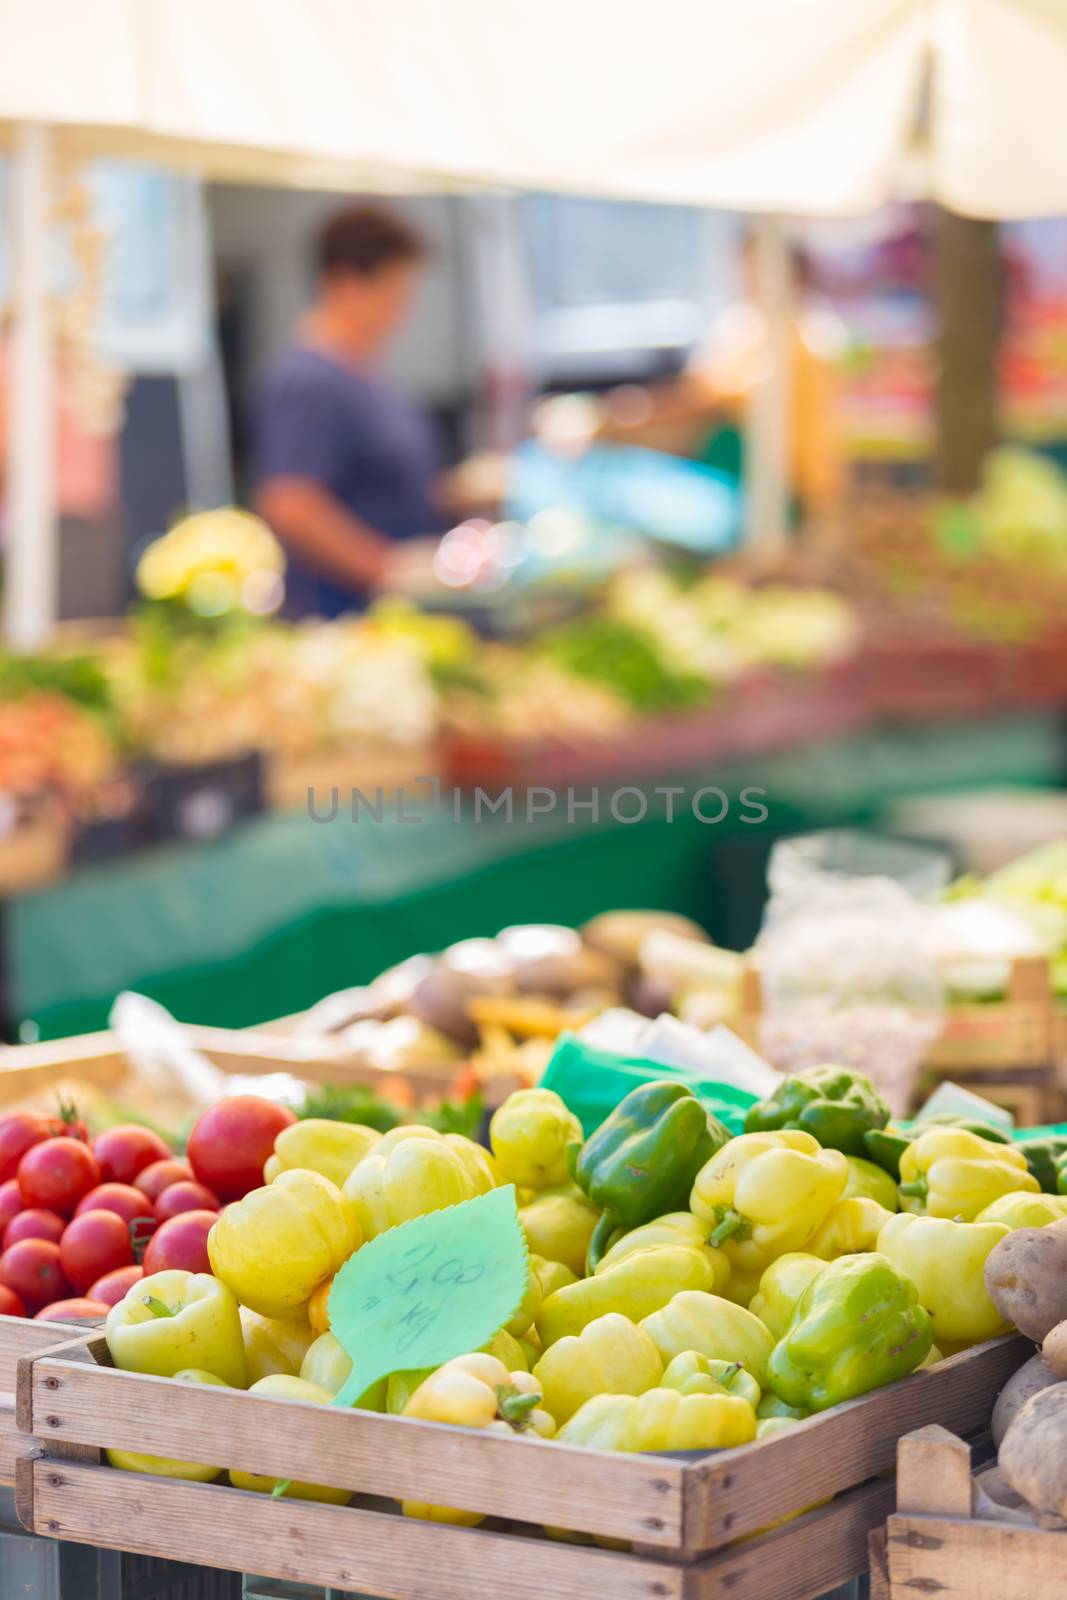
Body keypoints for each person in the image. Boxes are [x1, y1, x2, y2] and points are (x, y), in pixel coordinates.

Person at [252, 205, 443, 617]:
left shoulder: (367, 374)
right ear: (346, 283)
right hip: (340, 615)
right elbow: (291, 503)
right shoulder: (309, 380)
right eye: (394, 292)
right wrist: (387, 569)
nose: (404, 310)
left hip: (391, 613)